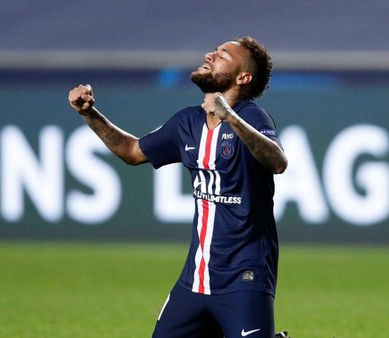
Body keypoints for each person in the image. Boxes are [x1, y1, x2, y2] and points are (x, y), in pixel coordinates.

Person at [68, 36, 288, 338]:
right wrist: (89, 113)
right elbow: (132, 152)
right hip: (194, 282)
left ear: (243, 77)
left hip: (244, 280)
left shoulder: (252, 117)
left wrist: (230, 116)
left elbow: (277, 161)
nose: (211, 54)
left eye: (223, 55)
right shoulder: (187, 121)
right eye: (215, 50)